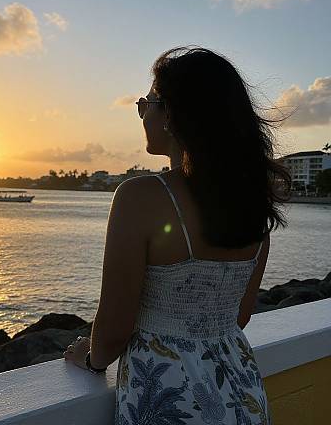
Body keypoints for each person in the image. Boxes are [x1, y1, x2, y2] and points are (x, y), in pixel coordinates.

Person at [63, 46, 292, 424]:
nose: (142, 113)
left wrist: (90, 358)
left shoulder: (140, 197)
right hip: (241, 389)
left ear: (170, 113)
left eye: (146, 103)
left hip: (170, 396)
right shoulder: (251, 202)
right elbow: (240, 315)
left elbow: (115, 328)